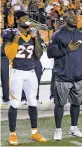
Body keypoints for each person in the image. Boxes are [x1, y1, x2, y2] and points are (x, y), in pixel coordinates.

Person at [3, 10, 46, 146]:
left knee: (32, 102)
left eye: (28, 17)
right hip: (17, 72)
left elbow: (38, 54)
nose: (28, 19)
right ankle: (12, 134)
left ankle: (34, 132)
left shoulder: (32, 34)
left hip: (30, 72)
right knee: (15, 103)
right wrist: (16, 38)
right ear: (17, 20)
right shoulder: (10, 33)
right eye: (24, 17)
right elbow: (10, 55)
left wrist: (35, 39)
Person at [47, 10, 82, 140]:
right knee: (60, 104)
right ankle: (58, 130)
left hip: (79, 76)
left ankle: (74, 128)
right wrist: (67, 50)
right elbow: (50, 53)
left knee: (76, 103)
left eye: (75, 16)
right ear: (64, 19)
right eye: (71, 17)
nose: (75, 18)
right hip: (63, 76)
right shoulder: (57, 35)